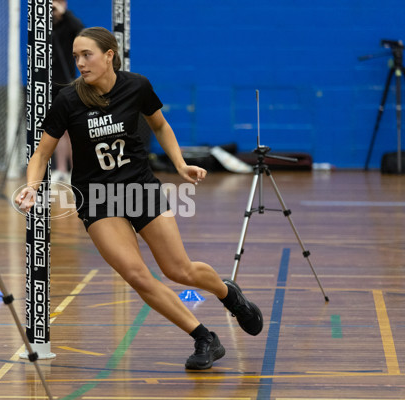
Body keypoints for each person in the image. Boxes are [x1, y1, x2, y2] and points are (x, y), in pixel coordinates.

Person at [15, 27, 263, 370]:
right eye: (75, 57)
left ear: (109, 55)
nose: (80, 63)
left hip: (139, 188)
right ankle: (204, 337)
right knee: (137, 274)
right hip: (97, 197)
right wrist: (31, 185)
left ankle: (228, 293)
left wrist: (180, 164)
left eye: (87, 55)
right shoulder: (68, 100)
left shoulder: (136, 86)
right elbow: (42, 154)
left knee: (179, 270)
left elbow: (159, 125)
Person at [51, 0, 83, 183]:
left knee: (72, 130)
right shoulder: (47, 26)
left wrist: (64, 14)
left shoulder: (70, 24)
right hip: (51, 85)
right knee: (58, 130)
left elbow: (81, 30)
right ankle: (61, 169)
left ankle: (74, 170)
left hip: (68, 83)